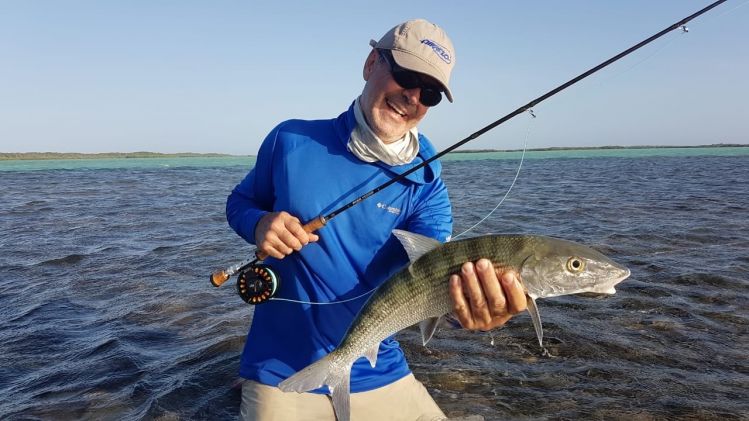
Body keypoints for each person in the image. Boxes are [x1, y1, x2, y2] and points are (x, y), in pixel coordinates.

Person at [226, 19, 527, 421]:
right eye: (406, 75)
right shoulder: (291, 140)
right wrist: (259, 224)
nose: (413, 97)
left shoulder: (427, 181)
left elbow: (430, 282)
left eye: (431, 93)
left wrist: (476, 313)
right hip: (279, 369)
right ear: (371, 63)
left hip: (379, 369)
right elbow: (240, 202)